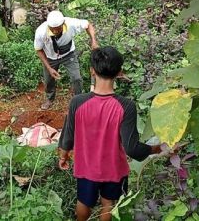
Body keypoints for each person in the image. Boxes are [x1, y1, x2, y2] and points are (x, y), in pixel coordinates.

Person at [58, 46, 162, 221]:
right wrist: (155, 149)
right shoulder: (126, 106)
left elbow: (68, 133)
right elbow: (132, 148)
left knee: (84, 201)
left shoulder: (77, 102)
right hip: (114, 169)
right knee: (109, 204)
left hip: (86, 167)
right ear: (119, 72)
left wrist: (63, 155)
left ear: (92, 70)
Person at [34, 10, 98, 110]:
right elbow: (39, 50)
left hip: (69, 54)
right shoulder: (41, 32)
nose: (55, 31)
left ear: (63, 24)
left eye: (58, 29)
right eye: (52, 29)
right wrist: (49, 68)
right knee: (48, 80)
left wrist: (93, 41)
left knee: (76, 78)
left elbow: (88, 25)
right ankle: (49, 99)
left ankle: (78, 100)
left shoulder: (71, 23)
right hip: (50, 57)